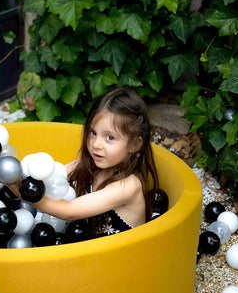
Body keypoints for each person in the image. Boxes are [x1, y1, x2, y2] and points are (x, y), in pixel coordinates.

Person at [15, 87, 159, 238]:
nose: (96, 144)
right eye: (93, 133)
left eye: (109, 137)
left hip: (119, 257)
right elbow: (54, 177)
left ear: (134, 144)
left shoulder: (128, 187)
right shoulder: (92, 164)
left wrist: (19, 188)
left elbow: (69, 211)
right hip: (89, 249)